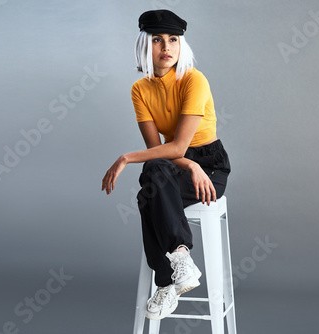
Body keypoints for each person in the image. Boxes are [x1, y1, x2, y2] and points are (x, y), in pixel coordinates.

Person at [101, 9, 231, 320]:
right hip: (177, 165)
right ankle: (181, 259)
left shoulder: (194, 80)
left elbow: (176, 147)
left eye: (173, 40)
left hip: (210, 166)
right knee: (153, 176)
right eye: (157, 40)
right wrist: (187, 166)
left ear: (181, 45)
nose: (166, 47)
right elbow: (158, 152)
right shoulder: (140, 90)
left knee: (147, 193)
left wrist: (125, 158)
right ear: (145, 46)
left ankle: (166, 280)